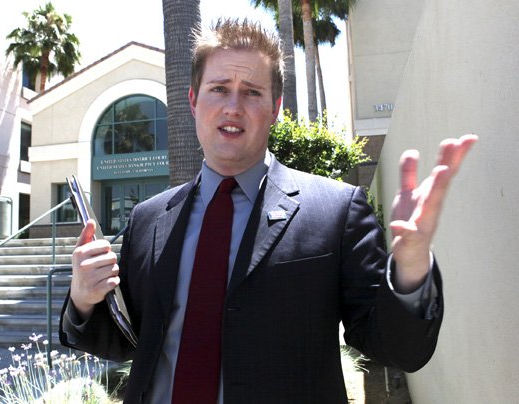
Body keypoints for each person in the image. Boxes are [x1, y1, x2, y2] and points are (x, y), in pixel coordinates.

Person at [60, 19, 477, 403]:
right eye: (219, 88)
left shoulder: (336, 210)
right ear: (193, 100)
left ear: (275, 108)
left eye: (252, 92)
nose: (233, 106)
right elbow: (126, 341)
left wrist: (410, 267)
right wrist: (83, 297)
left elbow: (397, 348)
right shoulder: (148, 218)